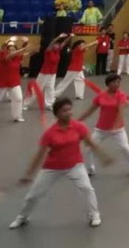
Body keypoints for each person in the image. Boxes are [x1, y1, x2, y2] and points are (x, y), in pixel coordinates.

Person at [9, 98, 108, 229]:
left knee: (87, 189)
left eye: (69, 110)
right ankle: (22, 217)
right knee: (33, 195)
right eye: (64, 111)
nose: (68, 113)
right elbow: (39, 155)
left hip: (75, 165)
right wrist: (28, 174)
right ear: (57, 114)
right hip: (52, 167)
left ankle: (94, 214)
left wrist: (103, 156)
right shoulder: (50, 133)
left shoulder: (78, 127)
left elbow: (90, 143)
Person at [77, 74, 129, 178]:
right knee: (89, 149)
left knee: (125, 147)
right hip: (101, 129)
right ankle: (90, 169)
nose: (117, 84)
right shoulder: (100, 96)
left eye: (118, 82)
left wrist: (116, 125)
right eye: (115, 82)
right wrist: (77, 121)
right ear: (108, 84)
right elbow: (89, 111)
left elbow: (120, 111)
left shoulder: (120, 95)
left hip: (118, 130)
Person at [25, 33, 71, 110]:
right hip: (44, 73)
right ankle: (26, 104)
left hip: (52, 73)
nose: (57, 45)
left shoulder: (58, 51)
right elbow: (52, 43)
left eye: (58, 44)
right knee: (38, 89)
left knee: (50, 89)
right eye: (56, 44)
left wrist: (70, 37)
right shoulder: (48, 51)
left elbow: (65, 42)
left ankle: (50, 104)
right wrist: (58, 37)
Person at [0, 37, 38, 123]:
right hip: (2, 83)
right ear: (7, 51)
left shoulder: (17, 57)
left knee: (18, 98)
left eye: (13, 49)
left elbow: (26, 54)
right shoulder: (3, 56)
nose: (11, 51)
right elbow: (6, 50)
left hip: (14, 83)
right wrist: (9, 40)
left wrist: (33, 50)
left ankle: (17, 116)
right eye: (10, 49)